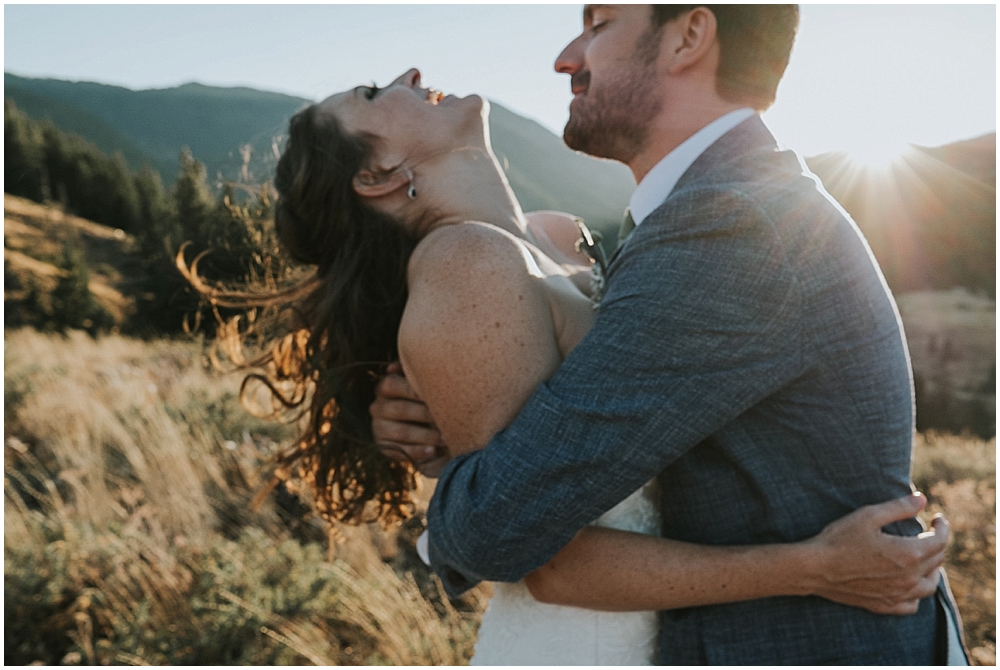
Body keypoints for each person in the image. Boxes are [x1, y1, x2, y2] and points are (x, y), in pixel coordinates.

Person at [230, 61, 953, 664]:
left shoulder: (558, 239)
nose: (409, 75)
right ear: (379, 171)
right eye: (369, 95)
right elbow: (545, 557)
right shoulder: (463, 263)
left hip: (683, 625)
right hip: (593, 639)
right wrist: (812, 567)